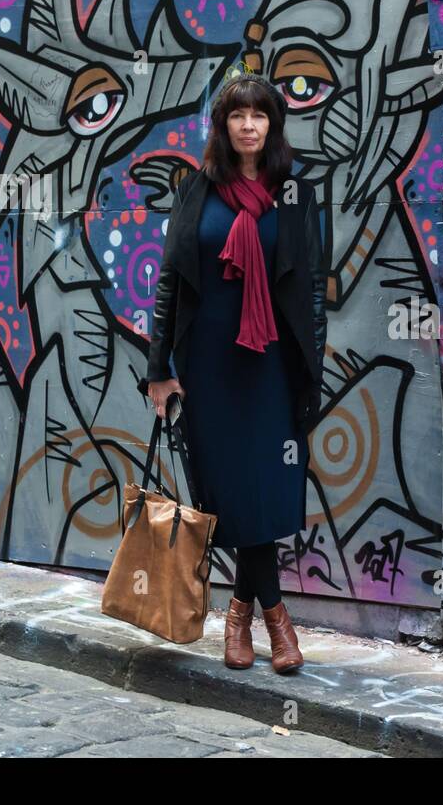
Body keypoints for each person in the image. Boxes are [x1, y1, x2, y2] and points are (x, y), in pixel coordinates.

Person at [140, 72, 327, 673]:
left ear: (274, 124)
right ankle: (275, 618)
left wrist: (313, 369)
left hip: (272, 365)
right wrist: (159, 369)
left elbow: (312, 289)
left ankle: (242, 613)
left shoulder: (295, 193)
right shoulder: (197, 190)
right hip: (209, 367)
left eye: (260, 115)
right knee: (232, 492)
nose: (249, 125)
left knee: (264, 489)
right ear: (222, 125)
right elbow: (170, 281)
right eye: (238, 115)